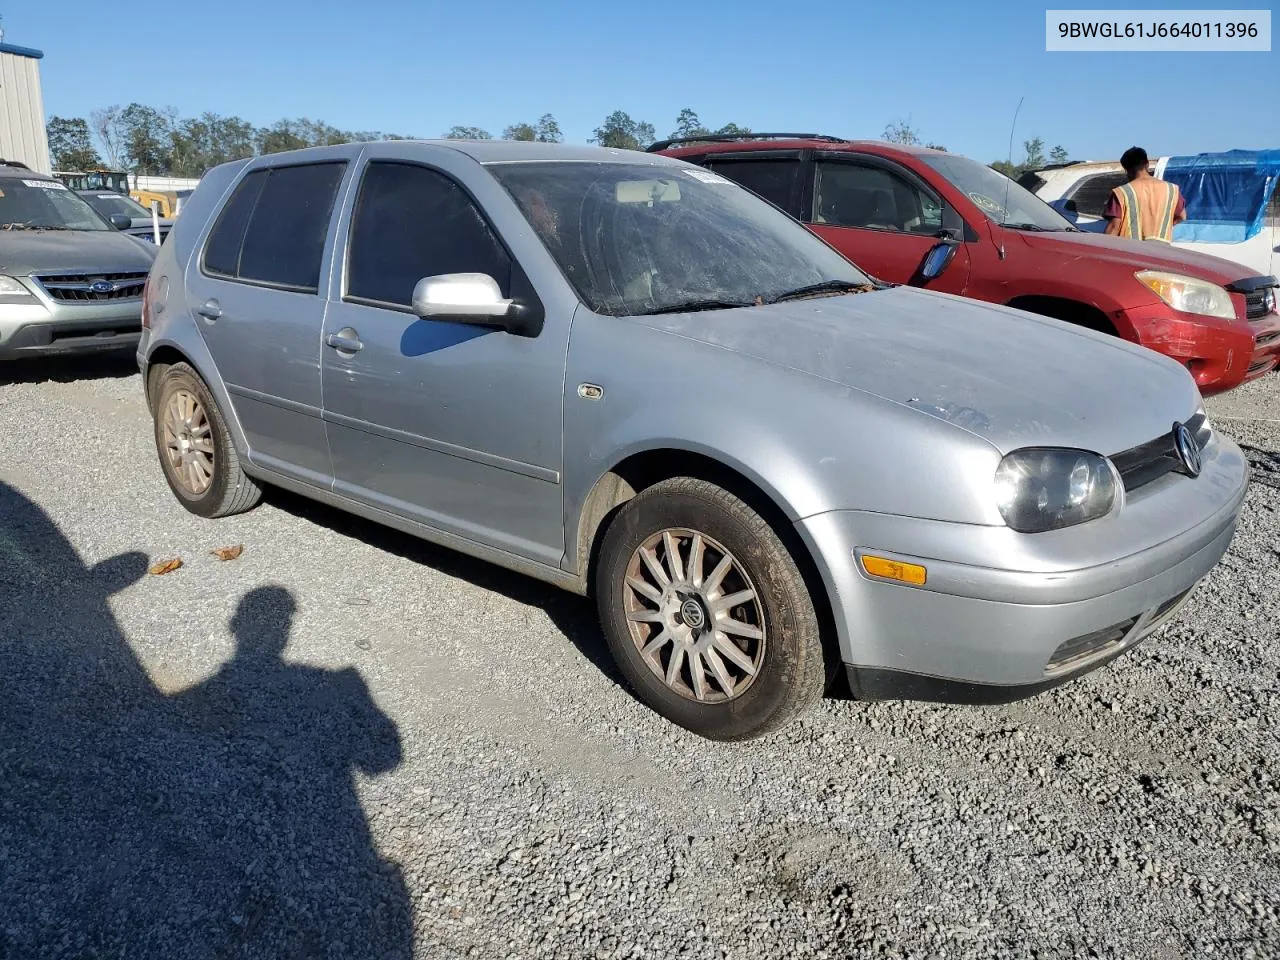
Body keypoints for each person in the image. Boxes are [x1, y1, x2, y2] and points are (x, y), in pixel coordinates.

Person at [1102, 146, 1186, 241]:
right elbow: (1182, 216)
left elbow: (1114, 227)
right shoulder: (1172, 189)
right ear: (1147, 164)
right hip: (1161, 251)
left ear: (1127, 170)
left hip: (1132, 251)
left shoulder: (1121, 192)